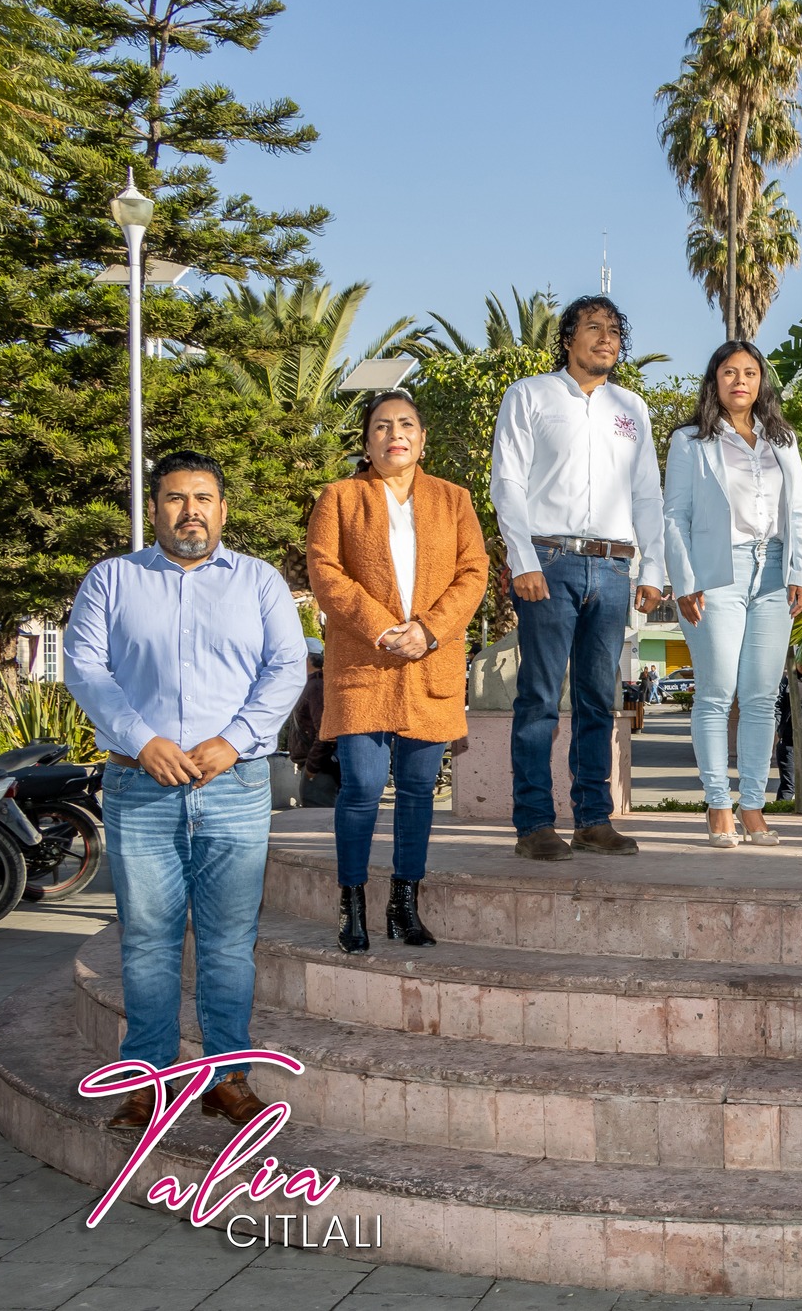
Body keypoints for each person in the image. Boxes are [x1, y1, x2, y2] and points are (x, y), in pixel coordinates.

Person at [64, 451, 307, 1129]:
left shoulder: (260, 582)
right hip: (140, 786)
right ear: (154, 509)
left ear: (223, 509)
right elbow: (85, 666)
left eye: (203, 497)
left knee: (230, 942)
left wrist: (235, 738)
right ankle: (149, 1083)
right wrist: (142, 739)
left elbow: (288, 666)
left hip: (234, 784)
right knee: (147, 941)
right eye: (175, 498)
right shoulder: (112, 580)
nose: (190, 510)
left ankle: (226, 1079)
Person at [307, 388, 489, 952]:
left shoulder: (454, 500)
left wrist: (429, 629)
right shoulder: (338, 497)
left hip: (431, 663)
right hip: (364, 660)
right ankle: (352, 903)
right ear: (366, 442)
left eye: (406, 424)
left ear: (423, 439)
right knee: (360, 784)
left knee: (416, 789)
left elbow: (474, 572)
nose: (395, 434)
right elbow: (325, 571)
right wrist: (384, 627)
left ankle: (404, 904)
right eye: (382, 426)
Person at [490, 295, 664, 861]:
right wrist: (524, 560)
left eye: (615, 329)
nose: (607, 338)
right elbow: (508, 483)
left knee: (598, 698)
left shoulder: (631, 407)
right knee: (539, 696)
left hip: (614, 567)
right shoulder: (531, 396)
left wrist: (652, 570)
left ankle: (593, 819)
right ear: (568, 338)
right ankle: (534, 824)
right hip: (550, 562)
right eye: (594, 327)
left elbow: (647, 496)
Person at [664, 341, 802, 847]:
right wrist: (685, 583)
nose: (740, 381)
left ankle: (753, 806)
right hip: (716, 574)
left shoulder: (782, 440)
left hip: (772, 570)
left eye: (750, 372)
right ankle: (718, 806)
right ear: (715, 380)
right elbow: (674, 516)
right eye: (730, 372)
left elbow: (798, 511)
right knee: (715, 692)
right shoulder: (690, 441)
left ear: (761, 381)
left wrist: (799, 571)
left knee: (762, 697)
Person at [287, 639, 341, 808]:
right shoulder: (314, 684)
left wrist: (312, 767)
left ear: (307, 658)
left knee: (317, 818)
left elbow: (325, 732)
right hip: (318, 767)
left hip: (319, 770)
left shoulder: (316, 686)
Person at [774, 664, 802, 802]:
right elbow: (777, 706)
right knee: (788, 787)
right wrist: (779, 730)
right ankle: (780, 816)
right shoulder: (788, 680)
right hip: (789, 741)